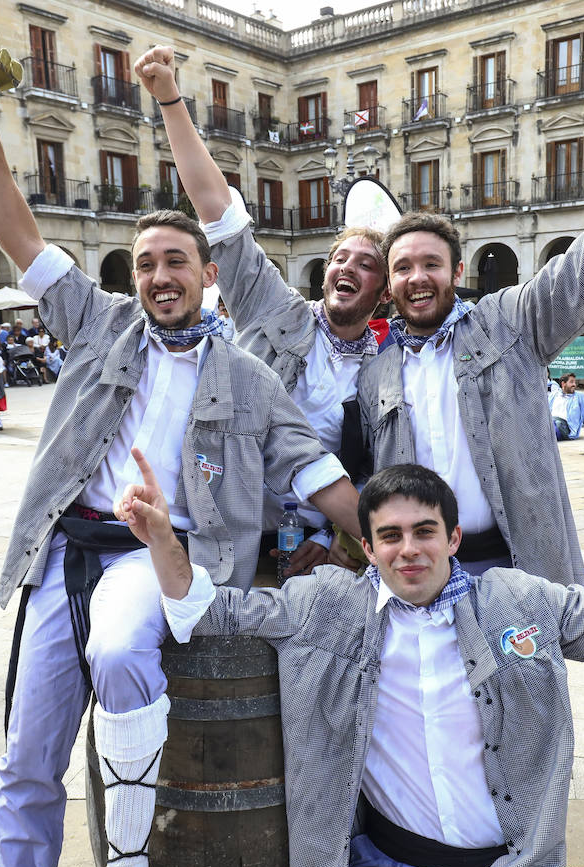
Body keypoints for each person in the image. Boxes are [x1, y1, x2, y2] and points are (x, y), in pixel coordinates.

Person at [0, 63, 365, 867]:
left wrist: (396, 548)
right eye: (145, 264)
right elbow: (16, 233)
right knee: (27, 755)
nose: (158, 276)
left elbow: (319, 474)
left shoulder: (248, 376)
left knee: (118, 654)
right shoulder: (98, 324)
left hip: (160, 557)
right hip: (64, 552)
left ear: (208, 274)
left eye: (176, 260)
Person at [114, 452, 584, 867]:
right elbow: (202, 609)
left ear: (453, 537)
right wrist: (163, 537)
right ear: (368, 547)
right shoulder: (327, 608)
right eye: (390, 536)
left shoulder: (517, 601)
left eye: (425, 532)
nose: (409, 550)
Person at [356, 84, 584, 583]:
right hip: (419, 580)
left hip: (518, 569)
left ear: (457, 271)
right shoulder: (375, 372)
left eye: (431, 264)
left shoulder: (508, 322)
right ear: (389, 283)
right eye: (403, 267)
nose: (417, 278)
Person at [136, 45, 390, 575]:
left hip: (319, 553)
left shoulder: (390, 370)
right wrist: (170, 100)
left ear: (384, 292)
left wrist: (332, 538)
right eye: (339, 257)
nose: (346, 267)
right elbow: (217, 212)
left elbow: (382, 470)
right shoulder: (276, 311)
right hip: (222, 535)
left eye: (366, 264)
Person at [548, 372, 584, 440]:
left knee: (554, 427)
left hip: (564, 427)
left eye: (575, 382)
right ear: (563, 383)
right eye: (571, 382)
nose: (574, 385)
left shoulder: (579, 396)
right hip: (551, 423)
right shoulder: (554, 394)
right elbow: (545, 411)